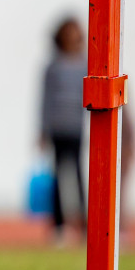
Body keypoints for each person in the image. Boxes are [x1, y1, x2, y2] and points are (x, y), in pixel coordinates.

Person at [39, 16, 87, 243]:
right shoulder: (53, 66)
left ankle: (85, 225)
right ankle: (58, 226)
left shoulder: (84, 64)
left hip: (76, 128)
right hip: (58, 128)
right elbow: (45, 100)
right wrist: (42, 130)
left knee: (78, 176)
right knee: (58, 177)